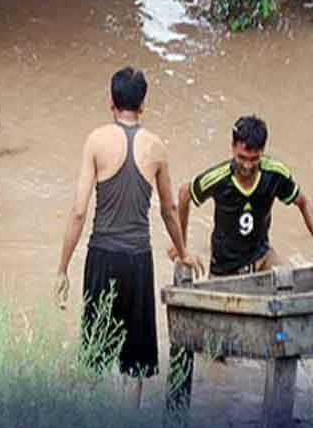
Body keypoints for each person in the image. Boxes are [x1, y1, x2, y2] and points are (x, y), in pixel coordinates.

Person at [54, 67, 203, 409]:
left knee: (94, 348)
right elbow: (168, 210)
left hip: (102, 256)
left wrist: (61, 269)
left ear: (111, 100)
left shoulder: (96, 141)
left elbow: (79, 211)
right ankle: (130, 418)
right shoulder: (157, 147)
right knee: (135, 357)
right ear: (143, 105)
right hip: (138, 260)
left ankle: (90, 414)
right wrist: (182, 252)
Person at [171, 115, 313, 277]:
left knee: (288, 284)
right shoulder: (219, 178)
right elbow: (184, 194)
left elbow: (303, 203)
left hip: (262, 258)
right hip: (225, 268)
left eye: (254, 159)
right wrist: (182, 248)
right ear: (233, 147)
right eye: (241, 157)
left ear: (263, 150)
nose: (247, 165)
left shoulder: (274, 175)